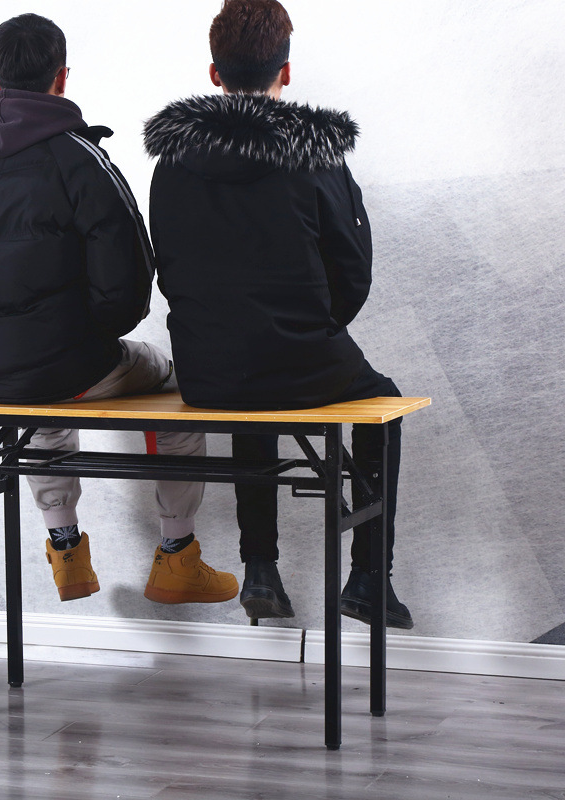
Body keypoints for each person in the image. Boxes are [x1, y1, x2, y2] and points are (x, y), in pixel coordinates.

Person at [0, 12, 237, 607]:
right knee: (175, 384)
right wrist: (86, 335)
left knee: (43, 404)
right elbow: (128, 286)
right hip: (70, 367)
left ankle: (64, 546)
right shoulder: (80, 160)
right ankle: (178, 554)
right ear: (61, 77)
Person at [144, 0, 412, 628]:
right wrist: (307, 327)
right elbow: (353, 271)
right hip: (303, 360)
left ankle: (260, 568)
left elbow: (168, 267)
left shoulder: (172, 161)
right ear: (285, 73)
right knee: (384, 404)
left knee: (249, 386)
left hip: (209, 371)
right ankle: (369, 577)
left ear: (215, 74)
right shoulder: (315, 154)